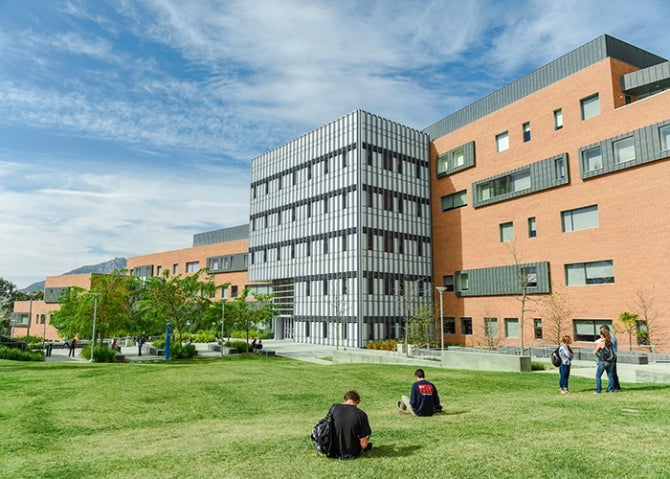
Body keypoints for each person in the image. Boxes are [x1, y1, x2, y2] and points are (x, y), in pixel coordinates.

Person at [330, 390, 372, 459]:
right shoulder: (361, 414)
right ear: (358, 401)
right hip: (350, 452)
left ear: (344, 400)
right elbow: (364, 445)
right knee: (366, 434)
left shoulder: (334, 408)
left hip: (331, 449)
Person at [594, 328, 616, 394]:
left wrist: (598, 355)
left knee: (598, 376)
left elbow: (595, 351)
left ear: (602, 335)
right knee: (610, 376)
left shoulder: (601, 343)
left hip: (603, 361)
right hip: (611, 361)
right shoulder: (610, 342)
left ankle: (598, 390)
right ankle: (610, 390)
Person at [600, 325, 621, 390]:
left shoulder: (611, 337)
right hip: (611, 356)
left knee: (611, 372)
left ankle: (614, 386)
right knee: (612, 372)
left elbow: (609, 347)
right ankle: (616, 386)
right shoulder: (609, 337)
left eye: (602, 330)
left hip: (611, 356)